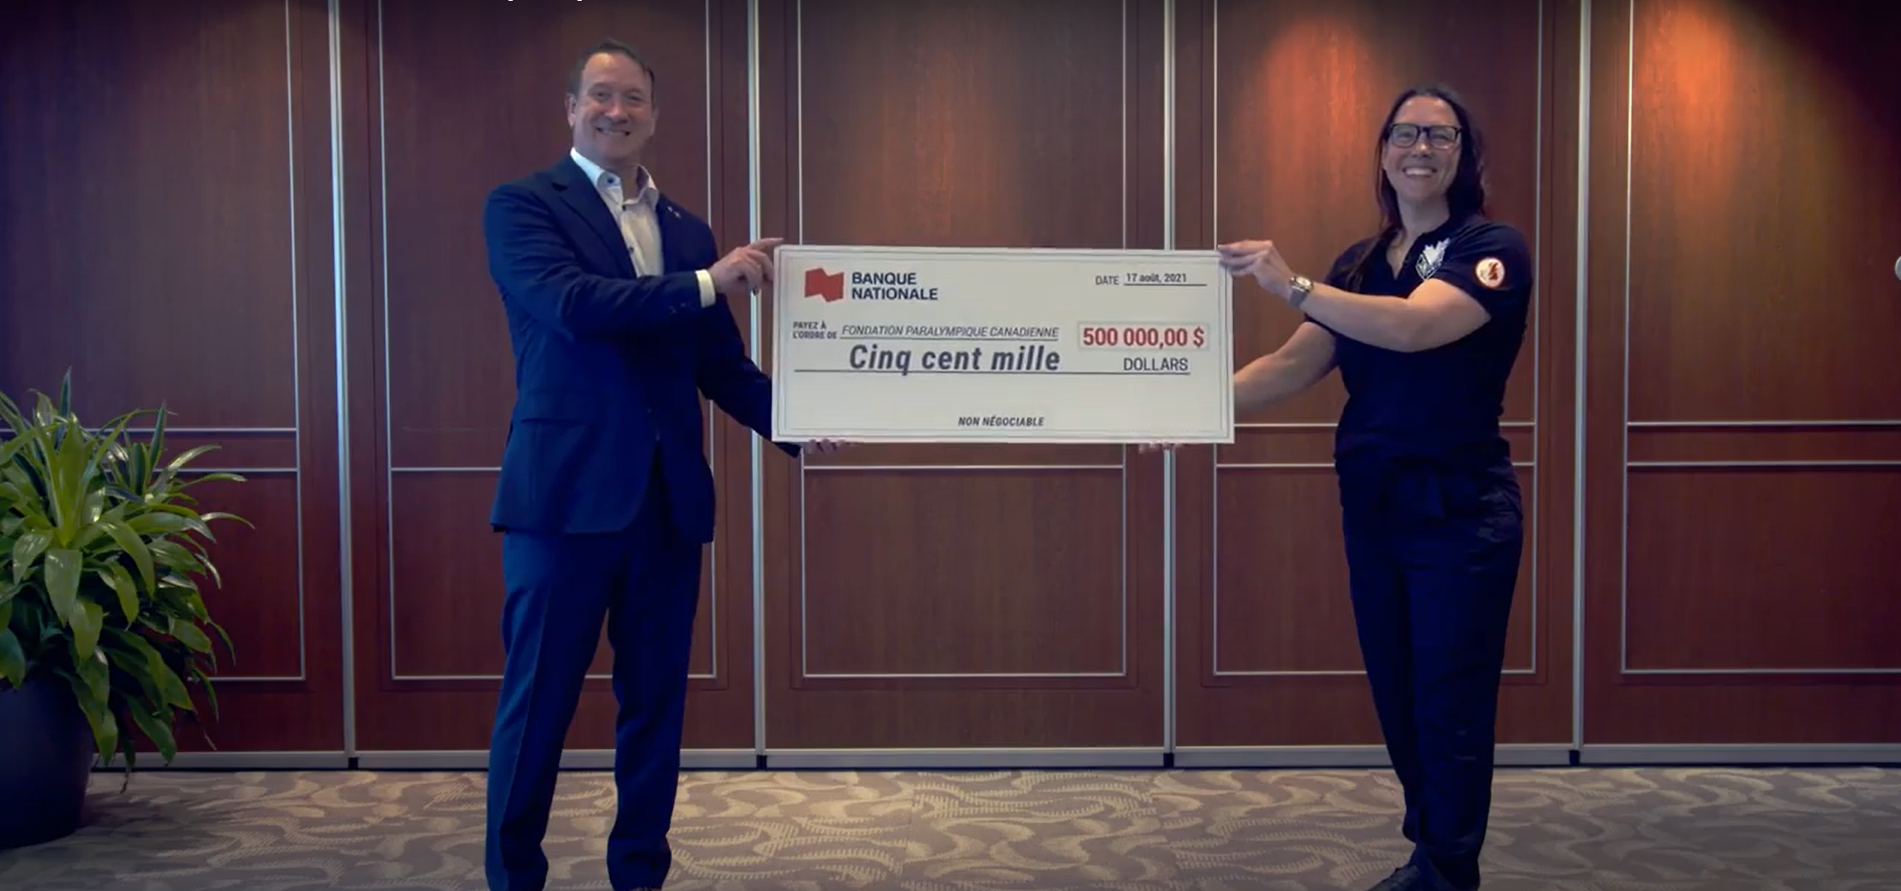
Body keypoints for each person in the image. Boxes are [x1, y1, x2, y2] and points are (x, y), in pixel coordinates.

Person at [480, 39, 840, 891]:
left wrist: (802, 423)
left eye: (633, 99)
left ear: (653, 115)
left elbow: (718, 366)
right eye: (600, 97)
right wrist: (710, 282)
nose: (616, 112)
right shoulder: (523, 206)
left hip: (666, 506)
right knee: (536, 709)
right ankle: (512, 878)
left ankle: (639, 874)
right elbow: (574, 306)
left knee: (654, 711)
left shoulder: (686, 231)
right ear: (571, 108)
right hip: (560, 505)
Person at [1200, 84, 1532, 891]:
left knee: (1447, 697)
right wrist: (1185, 404)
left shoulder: (1488, 246)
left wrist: (1291, 285)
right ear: (1383, 151)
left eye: (1439, 135)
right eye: (1404, 133)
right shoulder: (1360, 259)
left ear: (1463, 154)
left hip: (1459, 513)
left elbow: (1413, 327)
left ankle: (1448, 866)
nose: (1420, 147)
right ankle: (1430, 847)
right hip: (1374, 506)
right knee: (1397, 689)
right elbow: (1289, 367)